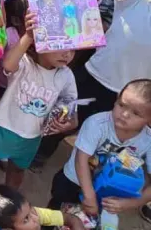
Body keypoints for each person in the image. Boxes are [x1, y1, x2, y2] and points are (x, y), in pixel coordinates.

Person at [0, 11, 78, 217]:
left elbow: (72, 107)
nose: (67, 54)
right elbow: (7, 65)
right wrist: (29, 36)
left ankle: (11, 199)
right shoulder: (24, 63)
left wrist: (70, 122)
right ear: (39, 43)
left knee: (18, 169)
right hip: (2, 126)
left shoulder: (66, 76)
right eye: (61, 47)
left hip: (32, 136)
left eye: (72, 49)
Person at [48, 79, 151, 216]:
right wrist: (89, 196)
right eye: (122, 105)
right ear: (116, 100)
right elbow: (81, 160)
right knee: (55, 215)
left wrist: (130, 203)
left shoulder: (148, 140)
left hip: (108, 193)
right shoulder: (97, 124)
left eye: (136, 113)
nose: (125, 114)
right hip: (73, 182)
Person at [0, 184, 83, 230]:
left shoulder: (31, 214)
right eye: (26, 220)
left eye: (31, 207)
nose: (36, 218)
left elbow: (72, 219)